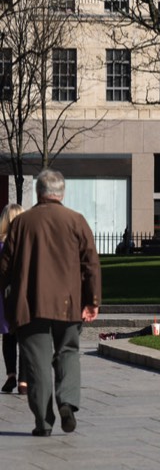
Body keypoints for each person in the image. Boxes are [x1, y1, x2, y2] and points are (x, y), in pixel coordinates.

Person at [0, 169, 101, 436]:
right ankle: (67, 401)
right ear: (62, 193)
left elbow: (5, 267)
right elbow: (91, 263)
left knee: (37, 363)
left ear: (39, 193)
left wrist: (8, 301)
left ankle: (43, 422)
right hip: (69, 303)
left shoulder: (22, 223)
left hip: (31, 305)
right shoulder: (76, 220)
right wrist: (92, 300)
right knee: (68, 353)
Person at [0, 202, 25, 394]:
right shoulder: (26, 245)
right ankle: (24, 379)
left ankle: (11, 374)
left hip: (4, 297)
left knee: (8, 337)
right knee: (25, 339)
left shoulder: (1, 245)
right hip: (24, 297)